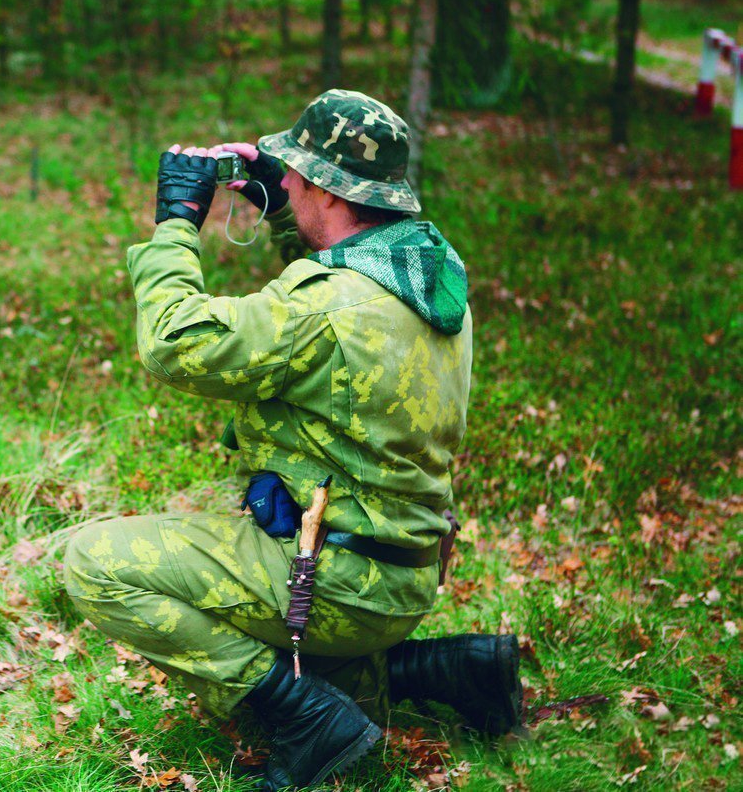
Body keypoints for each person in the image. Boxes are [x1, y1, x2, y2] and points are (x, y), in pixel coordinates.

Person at [63, 90, 522, 791]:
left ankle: (308, 720)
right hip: (405, 567)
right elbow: (340, 271)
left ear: (331, 191)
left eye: (300, 179)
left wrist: (177, 226)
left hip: (335, 585)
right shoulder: (427, 271)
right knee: (349, 690)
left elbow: (173, 342)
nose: (293, 184)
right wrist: (281, 208)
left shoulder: (329, 307)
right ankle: (457, 670)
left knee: (95, 563)